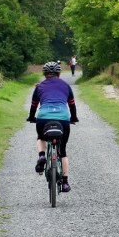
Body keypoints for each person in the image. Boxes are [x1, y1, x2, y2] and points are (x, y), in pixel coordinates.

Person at [27, 61, 79, 192]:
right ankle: (65, 182)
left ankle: (41, 155)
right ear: (59, 74)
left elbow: (33, 106)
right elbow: (72, 105)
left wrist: (31, 118)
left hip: (43, 118)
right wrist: (73, 118)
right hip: (63, 120)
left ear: (44, 74)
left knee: (41, 137)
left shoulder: (39, 87)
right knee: (63, 150)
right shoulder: (66, 86)